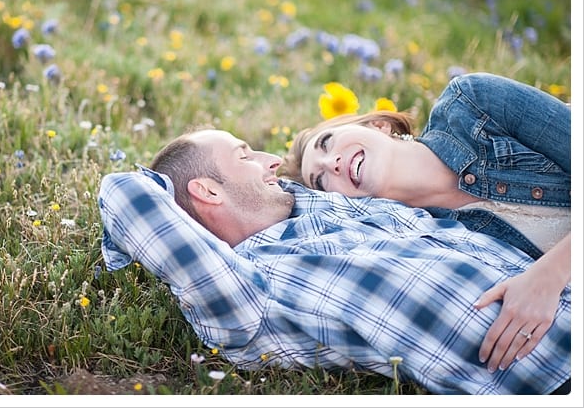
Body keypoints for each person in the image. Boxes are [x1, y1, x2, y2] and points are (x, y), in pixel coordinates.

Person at [98, 128, 570, 395]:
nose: (271, 162)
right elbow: (124, 194)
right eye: (245, 155)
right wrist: (168, 184)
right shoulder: (250, 291)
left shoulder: (318, 205)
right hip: (556, 370)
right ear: (207, 191)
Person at [280, 72, 571, 373]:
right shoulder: (432, 241)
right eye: (321, 180)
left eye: (327, 144)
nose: (332, 164)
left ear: (378, 126)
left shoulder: (473, 104)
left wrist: (548, 275)